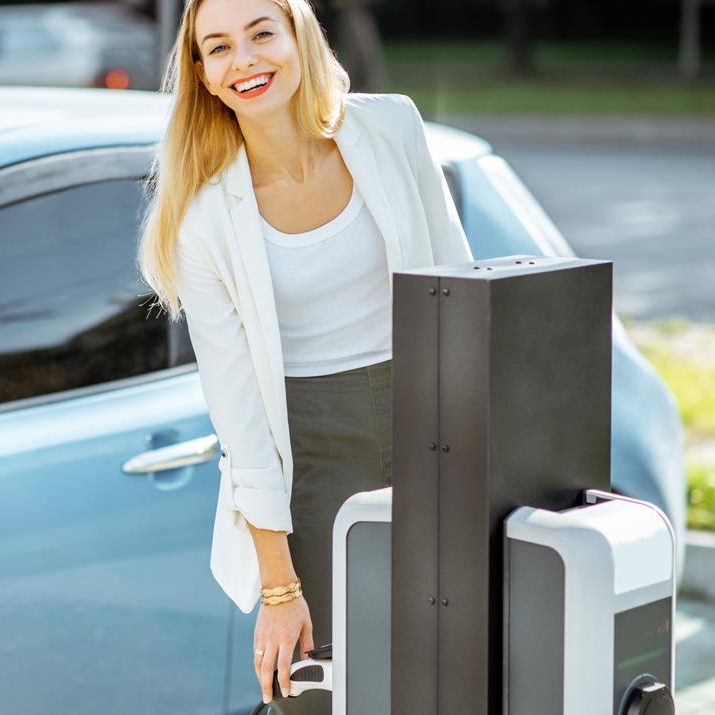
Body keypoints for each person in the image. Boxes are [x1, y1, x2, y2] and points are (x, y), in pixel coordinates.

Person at [135, 0, 474, 711]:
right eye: (220, 47)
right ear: (202, 73)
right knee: (329, 693)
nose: (246, 61)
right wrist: (279, 590)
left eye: (263, 33)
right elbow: (243, 421)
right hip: (310, 468)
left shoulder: (390, 127)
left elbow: (461, 288)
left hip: (436, 437)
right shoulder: (201, 220)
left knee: (454, 676)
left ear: (299, 35)